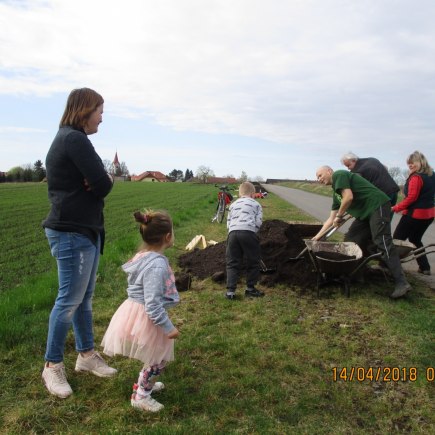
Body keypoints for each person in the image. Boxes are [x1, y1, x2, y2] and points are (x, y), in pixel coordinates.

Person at [42, 88, 116, 399]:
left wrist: (99, 181)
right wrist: (99, 181)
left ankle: (86, 356)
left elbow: (99, 182)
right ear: (84, 110)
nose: (102, 116)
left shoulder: (71, 139)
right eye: (100, 110)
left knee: (83, 300)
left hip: (84, 231)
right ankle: (52, 365)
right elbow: (102, 184)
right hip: (72, 231)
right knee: (68, 301)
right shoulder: (74, 139)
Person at [101, 210, 180, 412]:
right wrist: (168, 327)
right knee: (158, 359)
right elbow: (152, 304)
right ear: (168, 236)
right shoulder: (156, 266)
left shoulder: (144, 256)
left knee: (154, 355)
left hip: (136, 310)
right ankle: (141, 396)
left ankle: (146, 384)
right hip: (147, 315)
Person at [314, 166, 412, 299]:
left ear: (329, 171)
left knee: (382, 241)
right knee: (352, 239)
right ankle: (357, 274)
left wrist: (339, 216)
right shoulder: (335, 194)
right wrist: (316, 238)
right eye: (317, 177)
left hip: (377, 206)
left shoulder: (339, 175)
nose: (319, 179)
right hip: (365, 215)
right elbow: (330, 219)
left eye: (320, 175)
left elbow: (348, 197)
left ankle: (402, 283)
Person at [392, 151, 435, 275]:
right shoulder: (432, 175)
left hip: (415, 215)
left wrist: (396, 208)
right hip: (429, 215)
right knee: (415, 239)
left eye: (412, 163)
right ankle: (425, 267)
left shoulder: (416, 177)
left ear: (420, 162)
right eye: (409, 164)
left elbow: (411, 198)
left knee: (397, 240)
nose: (410, 166)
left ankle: (387, 266)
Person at [225, 181, 264, 299]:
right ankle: (250, 289)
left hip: (232, 234)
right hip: (248, 232)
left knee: (232, 262)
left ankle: (230, 292)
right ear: (253, 194)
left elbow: (228, 222)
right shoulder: (256, 204)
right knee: (253, 261)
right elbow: (258, 222)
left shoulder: (233, 204)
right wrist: (253, 231)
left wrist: (232, 231)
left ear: (240, 193)